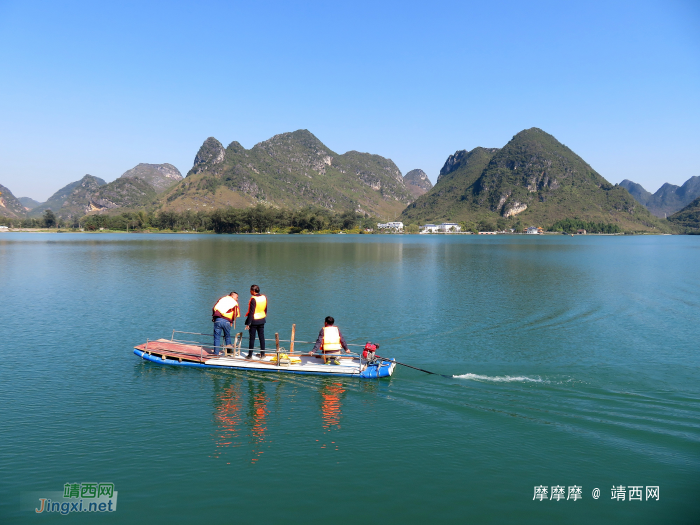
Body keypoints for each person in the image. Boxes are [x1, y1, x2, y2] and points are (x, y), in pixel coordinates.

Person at [212, 292, 239, 356]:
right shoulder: (234, 303)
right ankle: (229, 353)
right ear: (232, 296)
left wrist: (214, 317)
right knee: (227, 336)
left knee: (217, 337)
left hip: (218, 320)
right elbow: (235, 314)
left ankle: (216, 353)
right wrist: (232, 321)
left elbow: (215, 308)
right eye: (237, 297)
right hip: (227, 321)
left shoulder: (222, 299)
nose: (237, 299)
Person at [245, 284, 267, 359]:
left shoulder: (253, 299)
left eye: (250, 290)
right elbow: (265, 309)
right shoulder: (264, 297)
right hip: (262, 319)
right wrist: (264, 316)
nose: (250, 291)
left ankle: (250, 355)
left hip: (254, 320)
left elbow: (251, 312)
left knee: (252, 338)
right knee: (262, 337)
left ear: (253, 291)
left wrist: (248, 323)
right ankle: (263, 354)